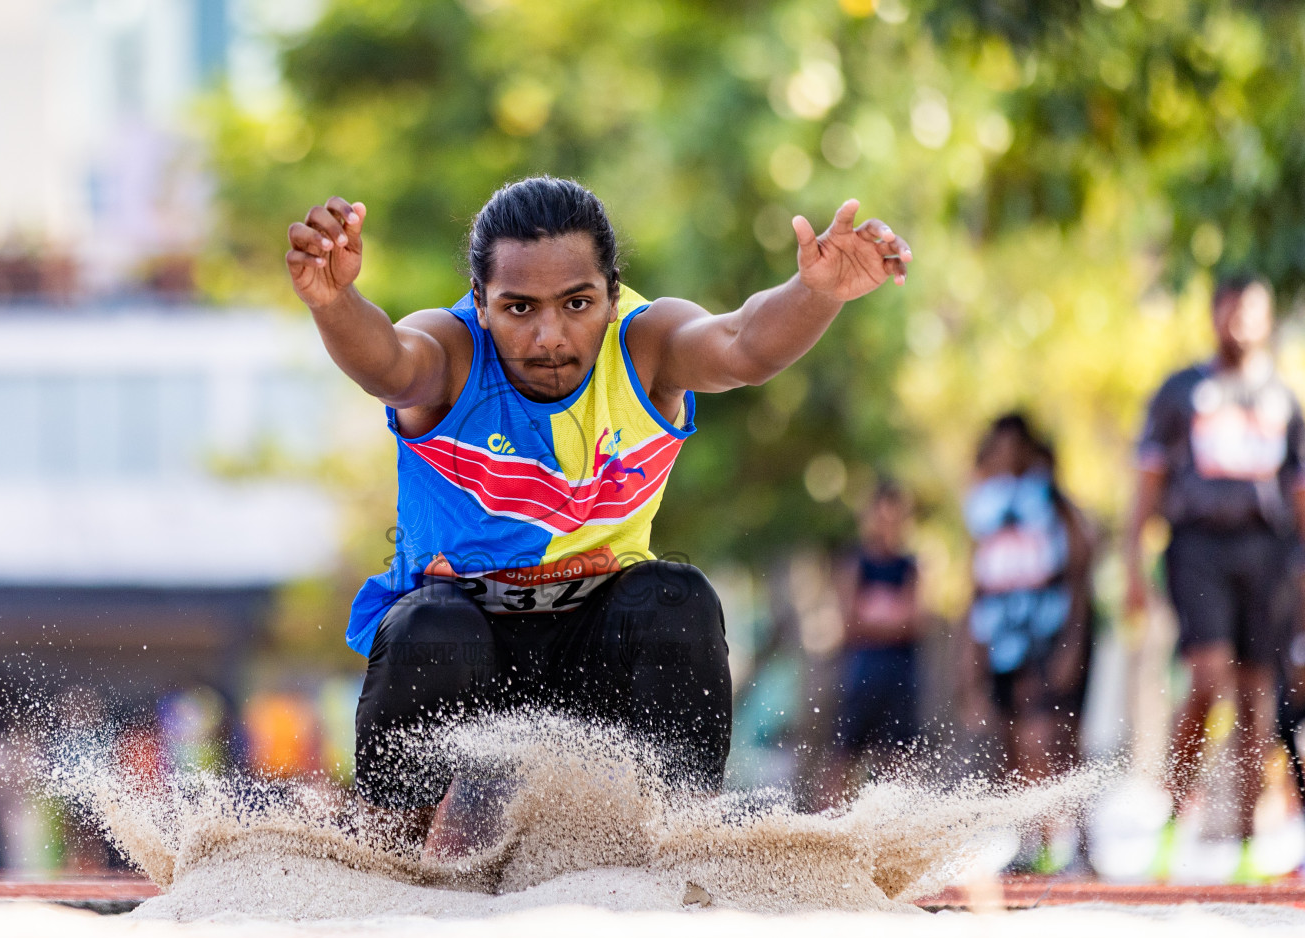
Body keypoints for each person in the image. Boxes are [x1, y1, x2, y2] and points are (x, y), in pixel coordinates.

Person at [286, 177, 911, 846]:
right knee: (432, 625)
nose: (550, 336)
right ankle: (388, 852)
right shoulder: (452, 352)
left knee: (677, 597)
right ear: (481, 303)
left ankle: (682, 847)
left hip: (596, 656)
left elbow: (742, 345)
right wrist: (335, 301)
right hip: (464, 648)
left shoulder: (649, 347)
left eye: (577, 303)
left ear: (613, 297)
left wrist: (815, 293)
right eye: (519, 308)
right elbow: (390, 363)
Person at [1126, 276, 1305, 883]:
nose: (1240, 321)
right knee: (1207, 682)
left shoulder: (1283, 398)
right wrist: (1131, 563)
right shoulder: (1181, 392)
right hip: (1198, 548)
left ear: (1267, 318)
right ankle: (1173, 822)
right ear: (1213, 315)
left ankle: (1250, 843)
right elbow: (1147, 485)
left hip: (1268, 554)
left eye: (1253, 310)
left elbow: (1299, 494)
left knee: (1258, 698)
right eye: (1230, 308)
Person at [965, 413, 1094, 872]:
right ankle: (1028, 843)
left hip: (1050, 634)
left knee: (1053, 738)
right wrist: (972, 661)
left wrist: (1072, 644)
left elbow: (1080, 573)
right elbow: (976, 587)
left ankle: (1078, 846)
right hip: (1003, 639)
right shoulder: (984, 510)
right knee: (1013, 740)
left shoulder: (1054, 504)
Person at [826, 480, 923, 802]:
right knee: (844, 756)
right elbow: (849, 623)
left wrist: (874, 619)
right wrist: (891, 619)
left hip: (899, 675)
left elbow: (916, 622)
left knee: (898, 759)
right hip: (861, 675)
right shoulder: (855, 563)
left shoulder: (911, 566)